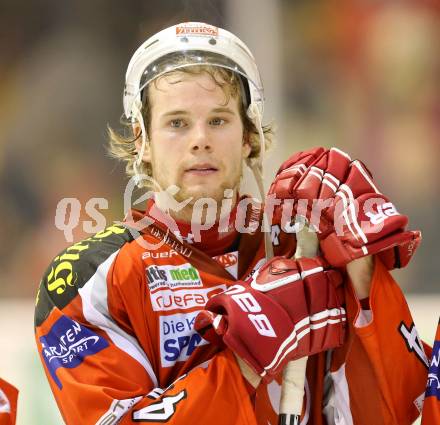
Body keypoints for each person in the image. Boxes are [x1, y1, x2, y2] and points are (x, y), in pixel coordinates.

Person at [34, 22, 431, 424]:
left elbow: (394, 409)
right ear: (142, 142)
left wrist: (360, 269)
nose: (200, 139)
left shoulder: (305, 242)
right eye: (177, 123)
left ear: (248, 136)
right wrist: (249, 354)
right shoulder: (84, 282)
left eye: (219, 121)